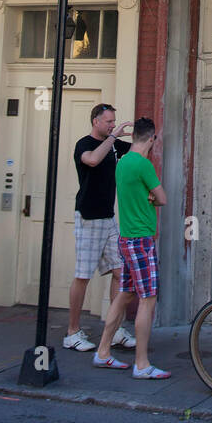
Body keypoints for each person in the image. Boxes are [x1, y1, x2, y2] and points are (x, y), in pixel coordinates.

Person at [93, 116, 170, 378]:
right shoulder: (143, 164)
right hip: (142, 240)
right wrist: (152, 198)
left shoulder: (123, 162)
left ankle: (103, 352)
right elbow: (162, 198)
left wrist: (147, 195)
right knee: (147, 301)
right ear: (151, 138)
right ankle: (142, 364)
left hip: (125, 238)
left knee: (124, 294)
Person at [64, 102, 137, 353]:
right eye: (108, 121)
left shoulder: (115, 144)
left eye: (114, 122)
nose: (112, 125)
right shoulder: (84, 144)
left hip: (108, 218)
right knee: (83, 276)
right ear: (96, 121)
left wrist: (138, 132)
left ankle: (115, 329)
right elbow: (93, 160)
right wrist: (114, 137)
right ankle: (72, 332)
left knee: (120, 273)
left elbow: (140, 149)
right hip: (88, 217)